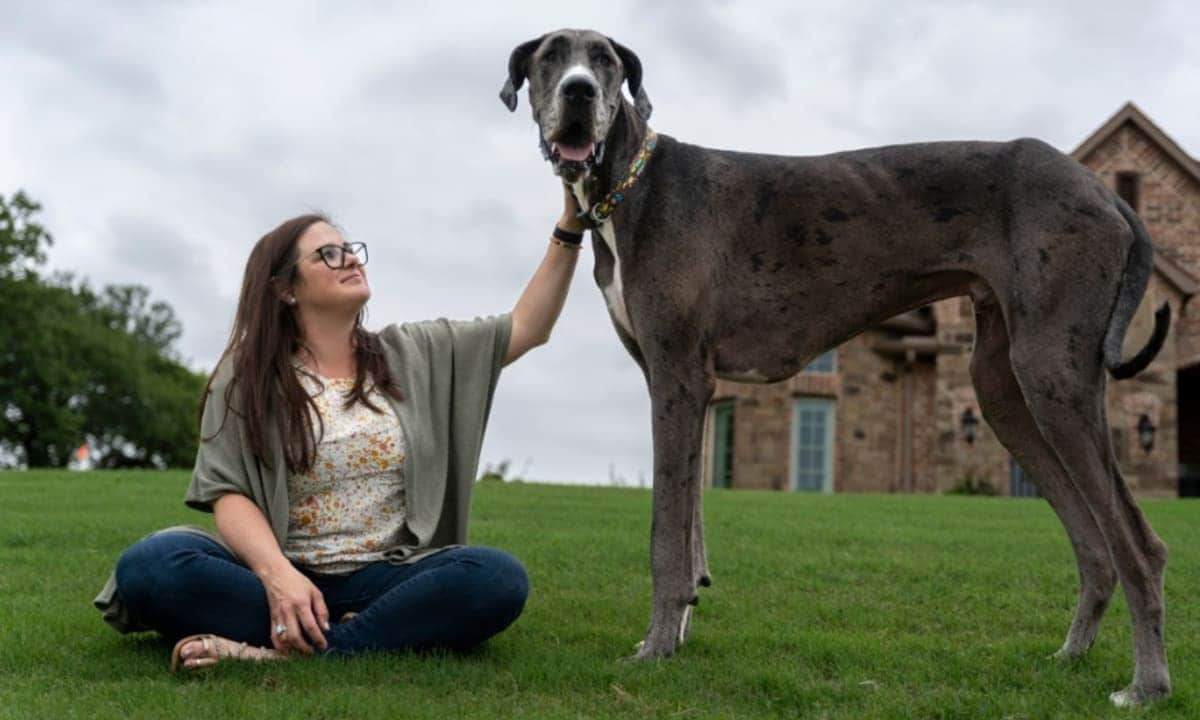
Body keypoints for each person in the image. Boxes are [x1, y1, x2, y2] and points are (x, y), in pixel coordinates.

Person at [94, 185, 587, 671]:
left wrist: (570, 227)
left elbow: (527, 327)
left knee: (497, 578)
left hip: (387, 577)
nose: (350, 259)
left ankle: (284, 654)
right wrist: (278, 577)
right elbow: (229, 493)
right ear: (285, 289)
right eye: (327, 255)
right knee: (150, 565)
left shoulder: (416, 352)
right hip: (279, 576)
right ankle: (355, 634)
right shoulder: (246, 375)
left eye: (350, 250)